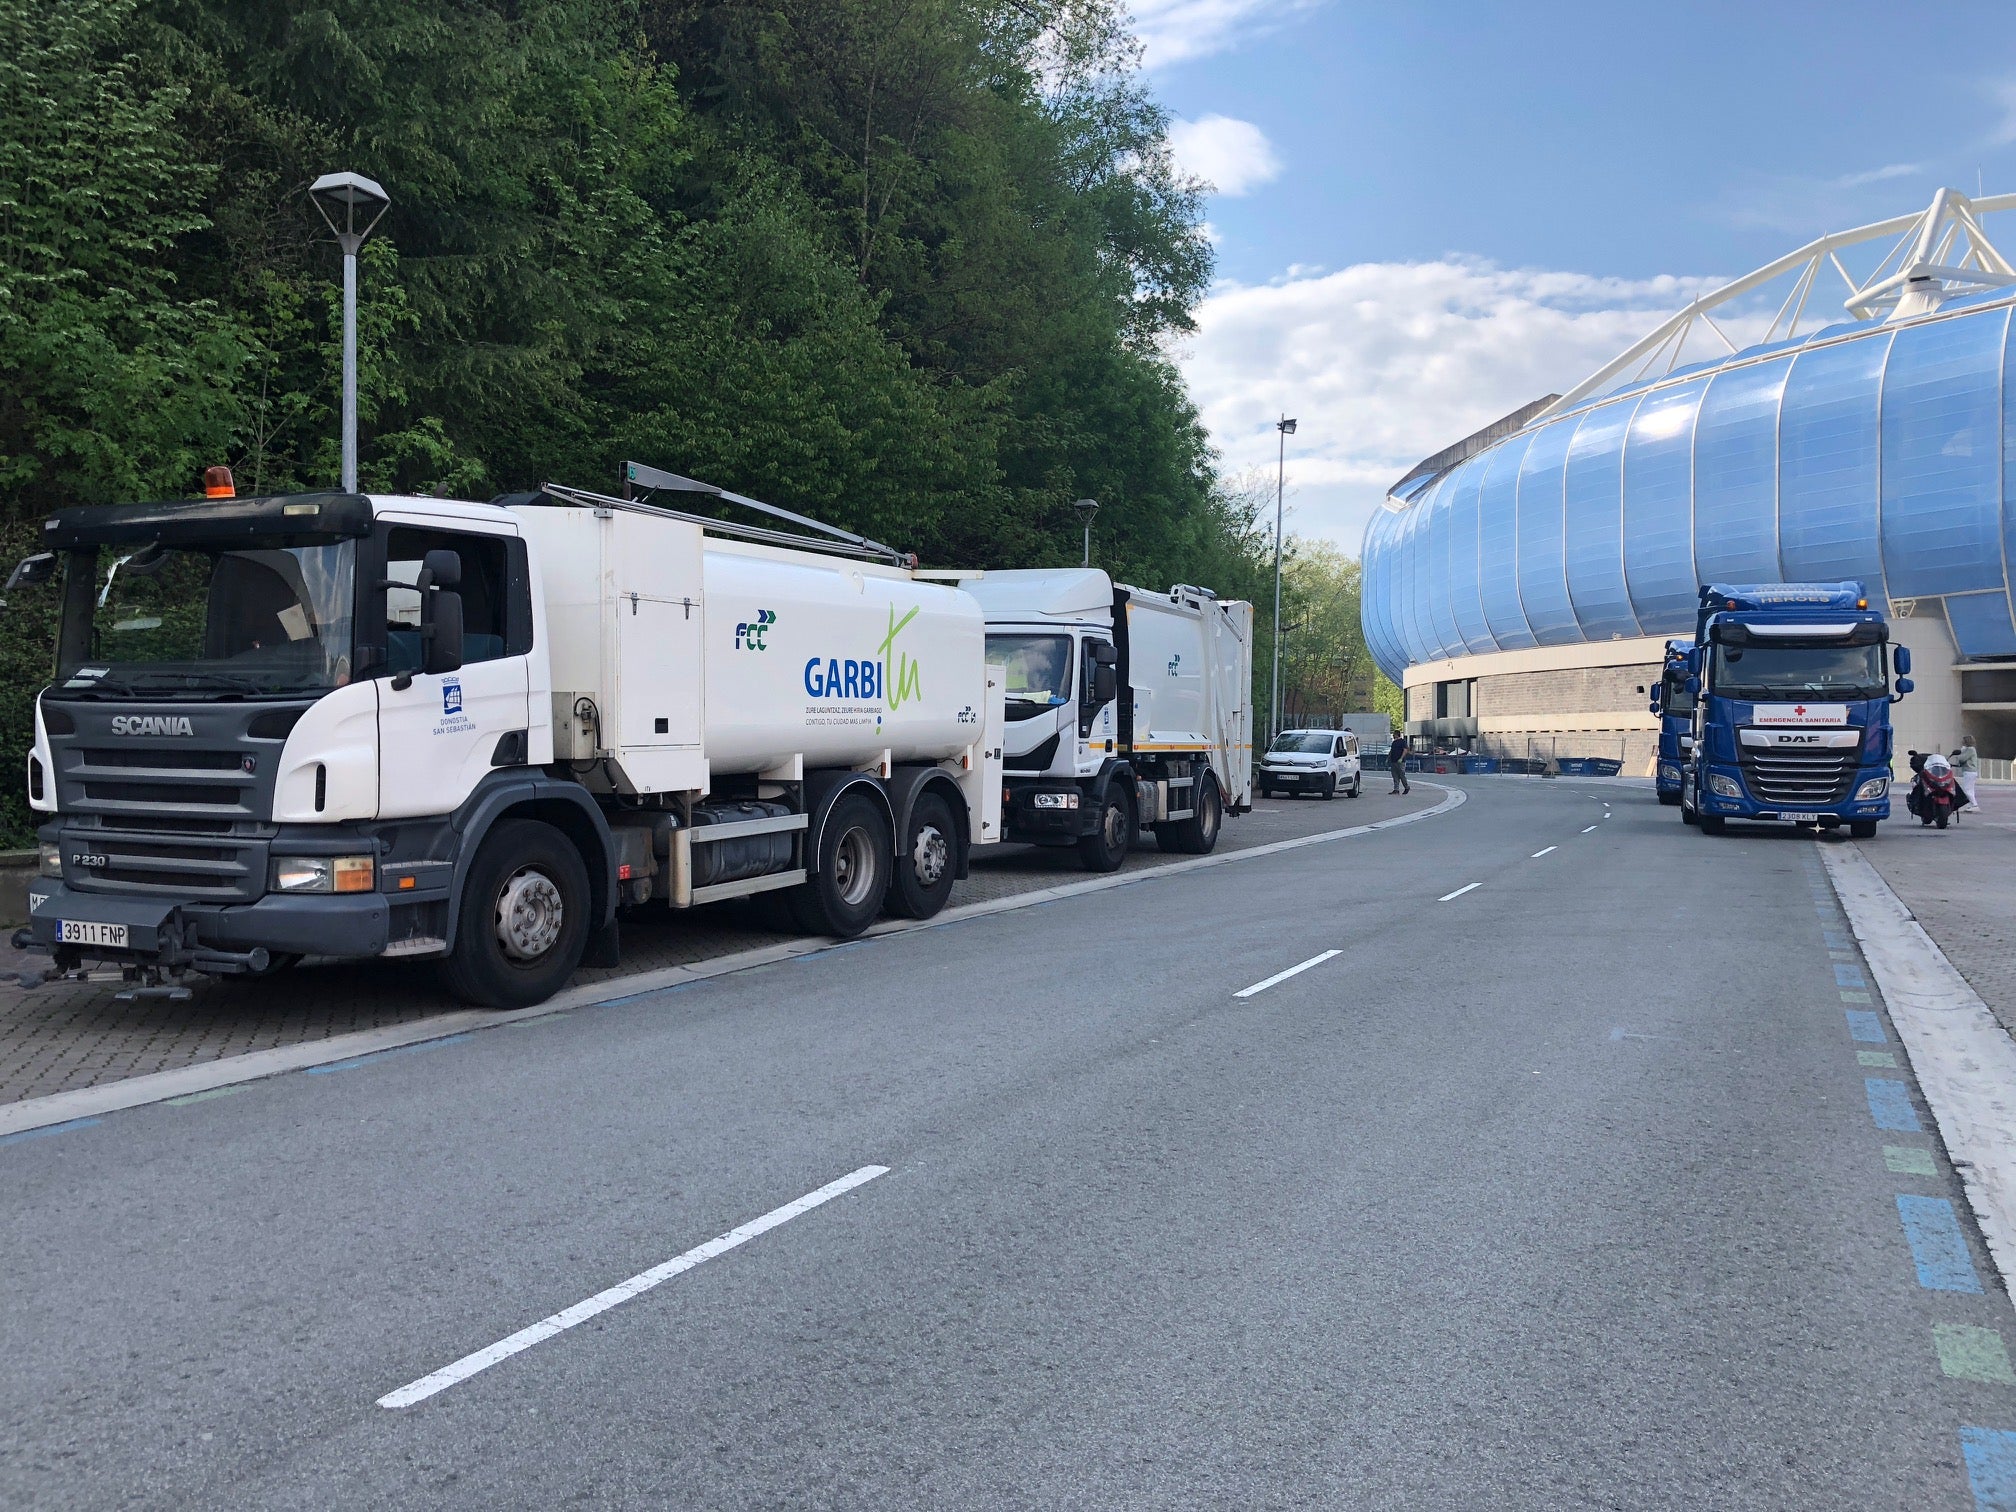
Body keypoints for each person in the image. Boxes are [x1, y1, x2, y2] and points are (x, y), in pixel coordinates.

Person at [1953, 734, 1981, 812]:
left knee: (1967, 789)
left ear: (1966, 741)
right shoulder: (1970, 749)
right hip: (1970, 771)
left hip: (1969, 771)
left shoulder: (1970, 749)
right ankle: (1971, 805)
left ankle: (1974, 805)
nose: (1961, 742)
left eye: (1963, 740)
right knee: (1970, 790)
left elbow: (1962, 759)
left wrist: (1962, 751)